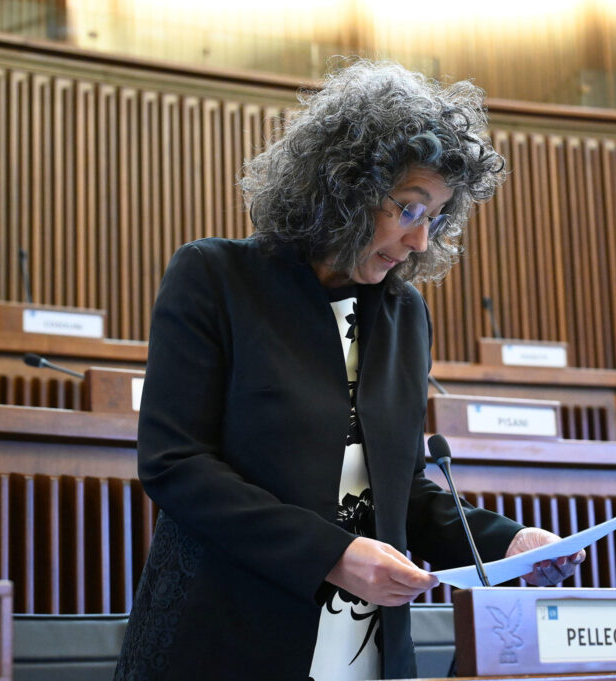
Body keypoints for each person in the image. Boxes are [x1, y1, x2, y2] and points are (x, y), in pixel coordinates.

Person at [114, 60, 584, 681]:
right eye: (410, 209)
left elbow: (400, 490)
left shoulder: (403, 314)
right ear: (347, 186)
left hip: (368, 652)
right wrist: (333, 554)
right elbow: (176, 464)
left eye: (436, 217)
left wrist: (506, 543)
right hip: (228, 638)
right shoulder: (215, 278)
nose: (421, 241)